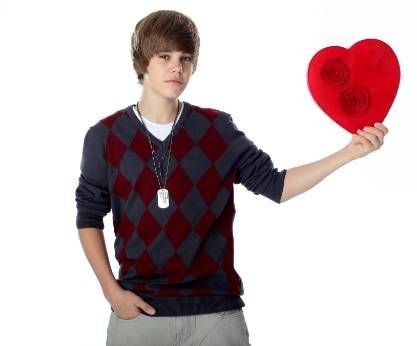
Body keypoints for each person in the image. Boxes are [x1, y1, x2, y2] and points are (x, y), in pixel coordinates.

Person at [74, 9, 389, 346]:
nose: (176, 67)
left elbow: (276, 185)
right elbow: (89, 215)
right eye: (164, 56)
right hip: (138, 314)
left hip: (216, 316)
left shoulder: (216, 129)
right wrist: (111, 290)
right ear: (142, 62)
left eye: (185, 58)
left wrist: (349, 153)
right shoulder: (105, 136)